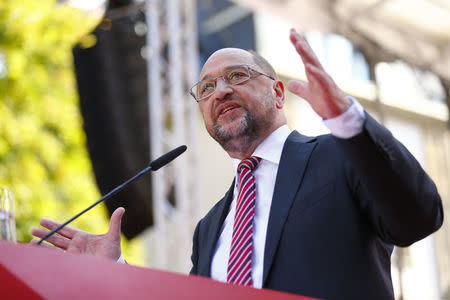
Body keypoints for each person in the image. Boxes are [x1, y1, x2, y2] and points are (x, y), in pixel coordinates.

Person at [32, 29, 443, 299]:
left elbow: (420, 216)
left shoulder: (339, 156)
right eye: (207, 87)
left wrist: (347, 119)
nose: (220, 90)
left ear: (279, 94)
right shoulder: (209, 229)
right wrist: (117, 274)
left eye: (238, 76)